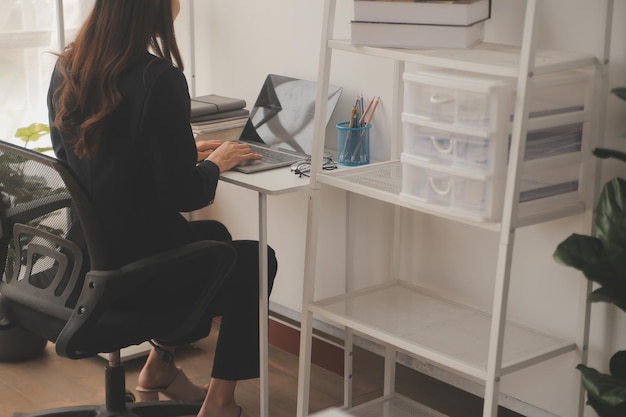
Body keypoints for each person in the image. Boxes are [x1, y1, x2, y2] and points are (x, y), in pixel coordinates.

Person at [46, 1, 276, 417]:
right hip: (135, 274)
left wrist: (188, 155)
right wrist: (214, 164)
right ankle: (220, 404)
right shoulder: (159, 78)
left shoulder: (69, 68)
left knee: (218, 240)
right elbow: (185, 196)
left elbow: (98, 163)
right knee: (257, 261)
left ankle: (158, 370)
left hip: (83, 262)